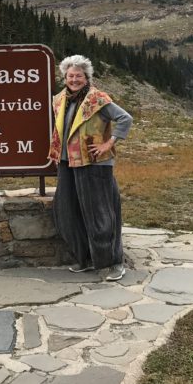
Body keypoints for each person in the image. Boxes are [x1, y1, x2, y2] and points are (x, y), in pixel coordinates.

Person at [48, 54, 133, 281]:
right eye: (70, 75)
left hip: (95, 163)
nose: (74, 79)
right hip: (67, 162)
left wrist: (109, 143)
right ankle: (85, 258)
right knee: (67, 211)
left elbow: (125, 118)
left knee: (101, 214)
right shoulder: (59, 100)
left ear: (87, 78)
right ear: (64, 77)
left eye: (79, 76)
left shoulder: (98, 99)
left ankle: (114, 262)